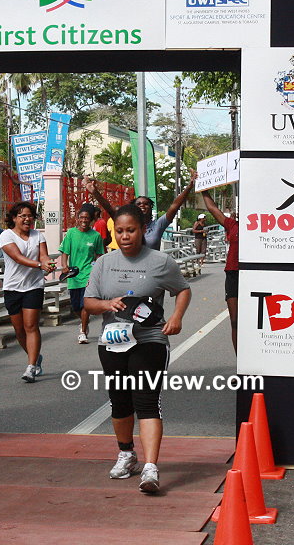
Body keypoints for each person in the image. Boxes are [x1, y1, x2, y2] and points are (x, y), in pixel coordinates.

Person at [84, 204, 191, 494]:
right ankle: (126, 454)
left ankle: (151, 467)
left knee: (146, 401)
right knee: (119, 401)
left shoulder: (160, 261)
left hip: (150, 340)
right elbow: (89, 302)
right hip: (113, 341)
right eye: (119, 231)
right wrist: (107, 304)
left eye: (130, 230)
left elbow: (183, 289)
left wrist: (176, 317)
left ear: (143, 230)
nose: (125, 236)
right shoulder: (103, 263)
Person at [0, 201, 54, 383]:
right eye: (22, 216)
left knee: (31, 326)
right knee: (19, 329)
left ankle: (31, 366)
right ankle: (35, 356)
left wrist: (47, 263)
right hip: (12, 287)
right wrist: (40, 265)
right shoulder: (6, 236)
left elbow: (44, 255)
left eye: (30, 215)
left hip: (34, 286)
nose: (27, 219)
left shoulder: (38, 235)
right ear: (14, 218)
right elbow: (17, 257)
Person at [83, 170, 197, 250]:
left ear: (151, 207)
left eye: (146, 204)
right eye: (139, 204)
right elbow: (109, 208)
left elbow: (174, 206)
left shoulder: (158, 225)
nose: (142, 206)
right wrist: (94, 192)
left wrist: (189, 187)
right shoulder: (127, 224)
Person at [59, 203, 104, 344]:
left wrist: (96, 269)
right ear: (78, 219)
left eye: (87, 218)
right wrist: (64, 266)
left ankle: (83, 332)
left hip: (88, 274)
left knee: (85, 304)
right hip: (73, 275)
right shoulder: (71, 233)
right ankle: (84, 321)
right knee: (75, 306)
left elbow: (99, 254)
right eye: (82, 218)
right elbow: (65, 252)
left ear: (91, 220)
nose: (84, 220)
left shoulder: (96, 236)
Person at [202, 190, 238, 353]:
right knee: (235, 321)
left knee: (255, 323)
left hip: (254, 276)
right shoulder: (232, 225)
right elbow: (212, 208)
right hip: (233, 275)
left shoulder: (264, 226)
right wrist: (203, 188)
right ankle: (240, 364)